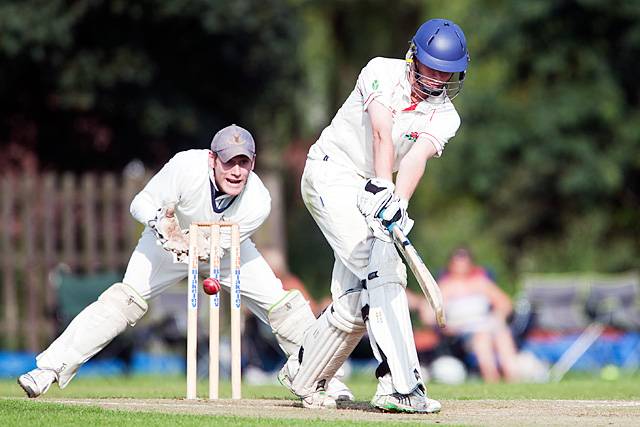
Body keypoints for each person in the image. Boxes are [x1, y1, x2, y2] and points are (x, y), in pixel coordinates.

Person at [17, 124, 350, 401]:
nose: (236, 171)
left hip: (228, 247)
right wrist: (162, 223)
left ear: (252, 163)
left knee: (283, 307)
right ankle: (49, 368)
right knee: (123, 300)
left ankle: (323, 379)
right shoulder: (185, 166)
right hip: (165, 244)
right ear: (212, 160)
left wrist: (194, 246)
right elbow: (141, 202)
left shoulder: (258, 200)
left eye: (244, 163)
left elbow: (211, 250)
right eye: (229, 162)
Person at [278, 18, 470, 413]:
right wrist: (384, 185)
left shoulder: (447, 116)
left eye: (446, 72)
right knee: (383, 268)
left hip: (372, 188)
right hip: (331, 172)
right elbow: (382, 132)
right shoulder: (381, 70)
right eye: (431, 67)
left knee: (354, 297)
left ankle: (305, 371)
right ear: (413, 57)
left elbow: (416, 159)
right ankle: (398, 387)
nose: (436, 79)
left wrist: (396, 204)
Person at [437, 247, 519, 383]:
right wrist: (446, 325)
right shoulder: (444, 287)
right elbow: (430, 313)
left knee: (502, 334)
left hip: (486, 324)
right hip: (461, 331)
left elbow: (505, 304)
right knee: (483, 337)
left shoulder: (480, 283)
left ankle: (513, 378)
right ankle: (492, 379)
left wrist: (498, 316)